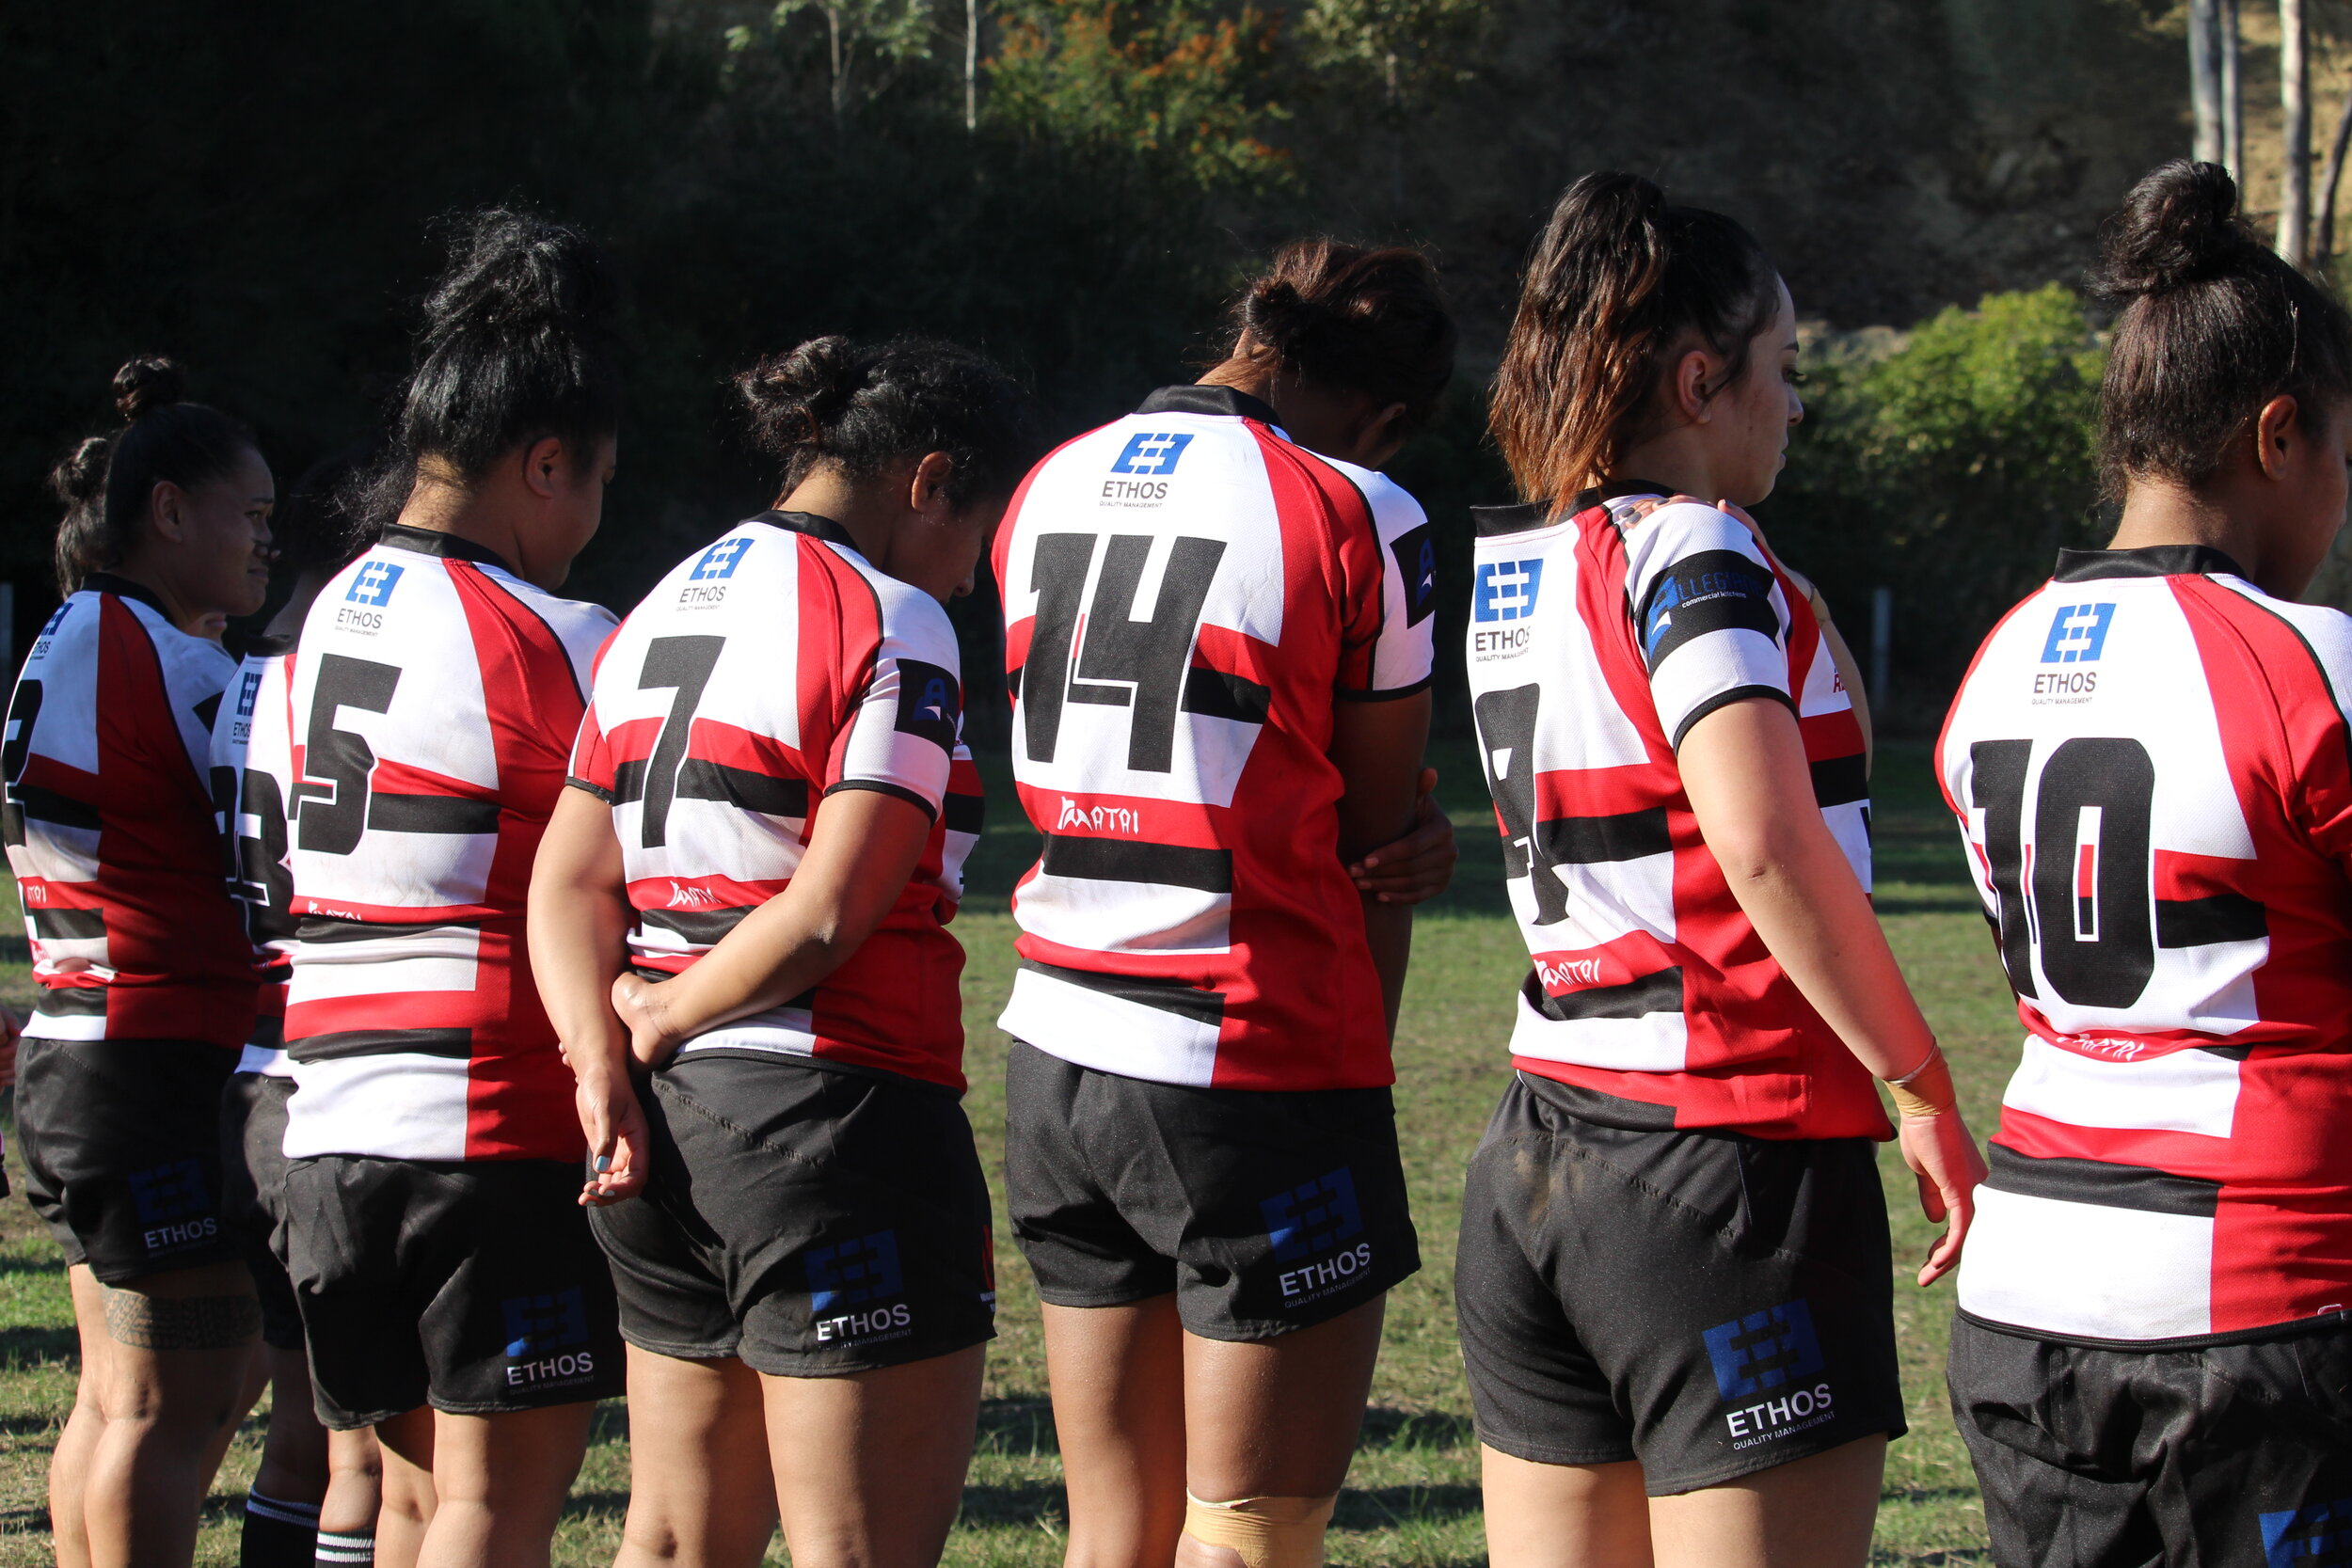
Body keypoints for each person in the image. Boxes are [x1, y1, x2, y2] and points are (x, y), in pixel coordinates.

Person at [1456, 171, 1985, 1568]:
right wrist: (1920, 1083)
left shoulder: (1525, 562)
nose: (1795, 403)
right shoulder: (1699, 554)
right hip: (1720, 1170)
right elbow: (1763, 836)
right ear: (1702, 380)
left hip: (1538, 1158)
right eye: (1783, 368)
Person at [530, 334, 1031, 1568]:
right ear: (926, 482)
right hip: (836, 1117)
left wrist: (604, 1055)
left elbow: (566, 876)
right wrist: (653, 1017)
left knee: (672, 1535)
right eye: (979, 527)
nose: (971, 577)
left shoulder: (657, 602)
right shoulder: (895, 617)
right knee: (854, 1545)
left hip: (656, 1128)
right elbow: (827, 908)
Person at [990, 239, 1455, 1568]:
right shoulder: (1360, 503)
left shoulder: (1047, 480)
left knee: (1113, 1530)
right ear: (1384, 420)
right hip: (1246, 1055)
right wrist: (1410, 845)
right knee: (1249, 1532)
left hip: (1056, 1042)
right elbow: (1372, 837)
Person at [1937, 160, 2352, 1568]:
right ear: (2281, 433)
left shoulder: (1992, 667)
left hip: (2024, 1300)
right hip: (2262, 1311)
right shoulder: (2313, 663)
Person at [256, 209, 627, 1568]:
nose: (592, 528)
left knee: (408, 1504)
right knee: (492, 1510)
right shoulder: (561, 634)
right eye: (592, 487)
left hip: (325, 1124)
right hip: (484, 1121)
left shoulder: (305, 631)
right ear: (543, 464)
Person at [8, 356, 275, 1568]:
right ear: (168, 510)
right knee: (185, 1399)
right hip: (148, 1060)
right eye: (251, 515)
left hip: (75, 1044)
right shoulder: (170, 660)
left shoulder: (71, 630)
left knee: (116, 1400)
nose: (264, 544)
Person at [209, 451, 385, 1567]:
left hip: (251, 1067)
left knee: (301, 1434)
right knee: (371, 1456)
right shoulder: (353, 667)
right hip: (335, 1072)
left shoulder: (239, 680)